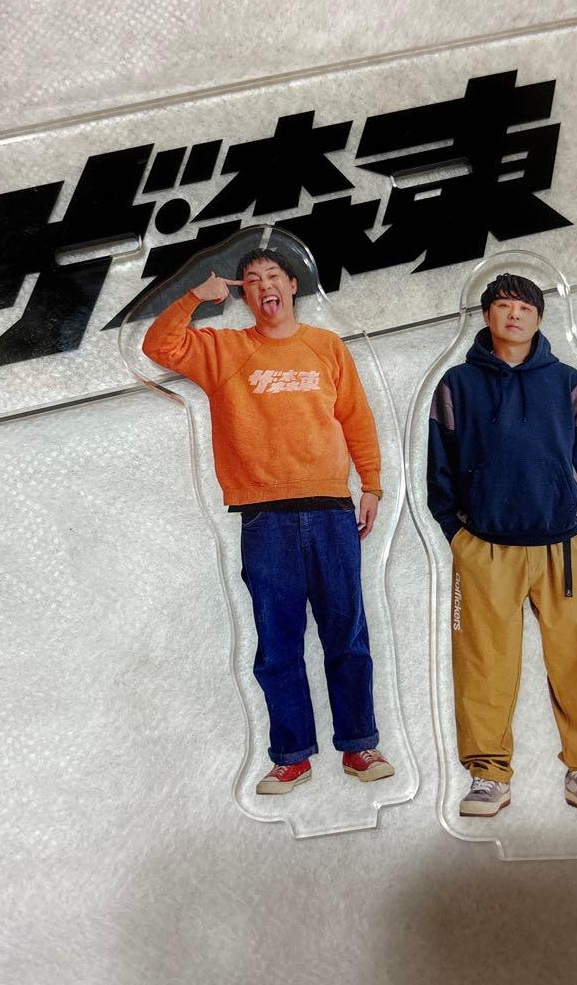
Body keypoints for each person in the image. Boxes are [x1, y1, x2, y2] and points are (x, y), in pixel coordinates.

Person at [142, 246, 395, 795]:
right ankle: (292, 757)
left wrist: (371, 485)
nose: (264, 287)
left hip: (331, 511)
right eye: (252, 280)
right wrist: (195, 296)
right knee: (278, 644)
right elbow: (158, 345)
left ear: (293, 285)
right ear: (243, 294)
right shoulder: (225, 350)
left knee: (347, 634)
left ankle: (360, 746)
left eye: (273, 276)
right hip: (265, 519)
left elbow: (356, 419)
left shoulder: (327, 347)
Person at [426, 272, 577, 817]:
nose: (514, 314)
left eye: (525, 307)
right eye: (504, 305)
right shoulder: (457, 385)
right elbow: (439, 467)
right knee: (483, 665)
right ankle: (487, 776)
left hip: (563, 548)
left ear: (540, 318)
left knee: (574, 662)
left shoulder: (570, 383)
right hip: (485, 549)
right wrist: (458, 534)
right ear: (487, 315)